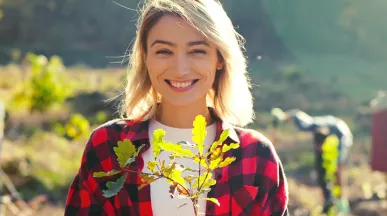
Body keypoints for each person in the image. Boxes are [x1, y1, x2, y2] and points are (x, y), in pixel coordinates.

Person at [65, 0, 289, 215]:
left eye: (197, 51)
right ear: (146, 58)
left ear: (219, 58)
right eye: (164, 51)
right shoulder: (107, 146)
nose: (180, 69)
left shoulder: (256, 155)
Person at [271, 108, 352, 214]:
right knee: (326, 172)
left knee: (337, 169)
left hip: (342, 136)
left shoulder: (309, 125)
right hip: (339, 134)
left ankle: (341, 201)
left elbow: (297, 114)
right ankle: (331, 201)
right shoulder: (315, 128)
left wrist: (283, 116)